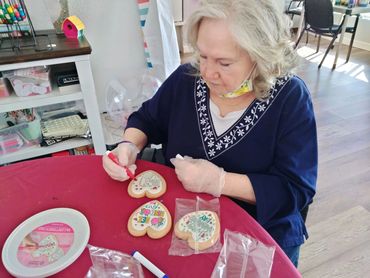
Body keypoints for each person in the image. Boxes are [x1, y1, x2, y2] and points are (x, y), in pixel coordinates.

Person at [103, 0, 317, 267]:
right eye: (202, 56)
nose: (207, 72)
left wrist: (220, 182)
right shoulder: (186, 78)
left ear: (261, 57)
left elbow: (295, 190)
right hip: (182, 224)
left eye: (224, 63)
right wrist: (129, 144)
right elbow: (146, 119)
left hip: (258, 234)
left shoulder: (289, 98)